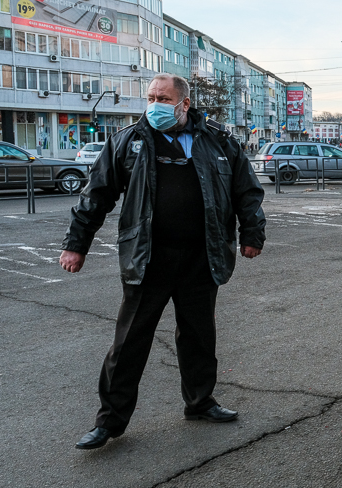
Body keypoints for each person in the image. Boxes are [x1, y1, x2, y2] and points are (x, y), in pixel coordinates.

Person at [60, 74, 266, 450]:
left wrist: (252, 232)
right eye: (151, 98)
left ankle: (200, 402)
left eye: (163, 98)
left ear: (184, 104)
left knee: (199, 336)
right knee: (129, 342)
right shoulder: (128, 141)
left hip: (202, 257)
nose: (154, 105)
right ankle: (109, 422)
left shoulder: (218, 140)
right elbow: (96, 195)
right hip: (148, 259)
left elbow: (247, 190)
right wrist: (77, 245)